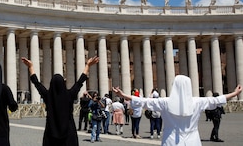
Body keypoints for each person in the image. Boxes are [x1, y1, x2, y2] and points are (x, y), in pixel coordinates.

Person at [113, 75, 242, 146]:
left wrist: (123, 95)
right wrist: (234, 93)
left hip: (170, 140)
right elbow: (217, 100)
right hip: (193, 140)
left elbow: (143, 101)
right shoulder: (197, 101)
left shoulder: (165, 102)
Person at [21, 56, 99, 146]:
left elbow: (37, 83)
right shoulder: (70, 95)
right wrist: (87, 66)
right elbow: (80, 82)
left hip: (51, 134)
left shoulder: (47, 96)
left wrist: (30, 67)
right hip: (69, 133)